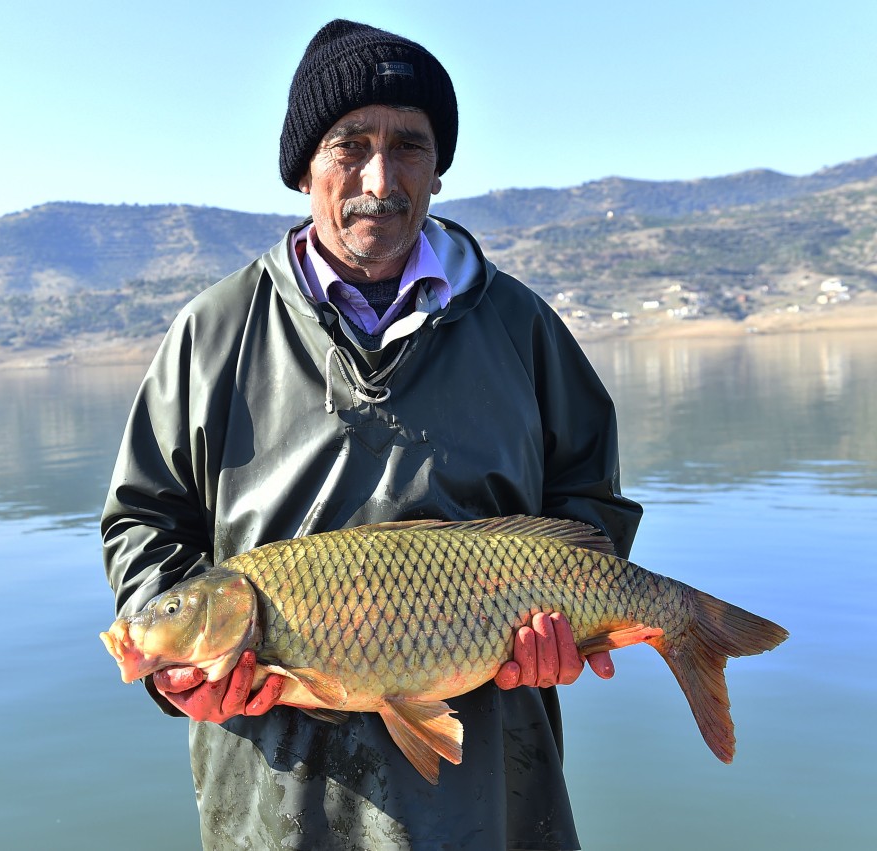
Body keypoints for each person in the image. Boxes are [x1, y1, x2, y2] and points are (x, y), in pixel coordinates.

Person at [102, 19, 642, 850]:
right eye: (350, 145)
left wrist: (568, 630)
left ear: (438, 167)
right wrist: (176, 666)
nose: (380, 179)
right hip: (274, 803)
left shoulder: (521, 328)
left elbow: (591, 506)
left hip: (494, 800)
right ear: (305, 166)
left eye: (411, 146)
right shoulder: (212, 334)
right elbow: (144, 521)